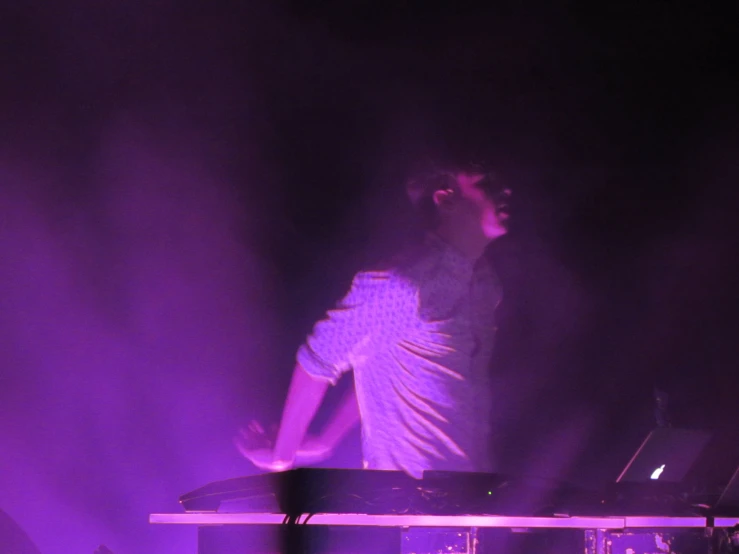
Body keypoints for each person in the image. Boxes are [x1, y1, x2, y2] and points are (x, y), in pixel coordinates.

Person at [235, 161, 512, 479]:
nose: (506, 189)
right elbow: (318, 359)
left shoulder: (484, 282)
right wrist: (281, 455)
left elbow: (380, 359)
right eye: (486, 181)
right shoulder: (405, 281)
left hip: (477, 493)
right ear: (445, 198)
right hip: (415, 504)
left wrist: (327, 441)